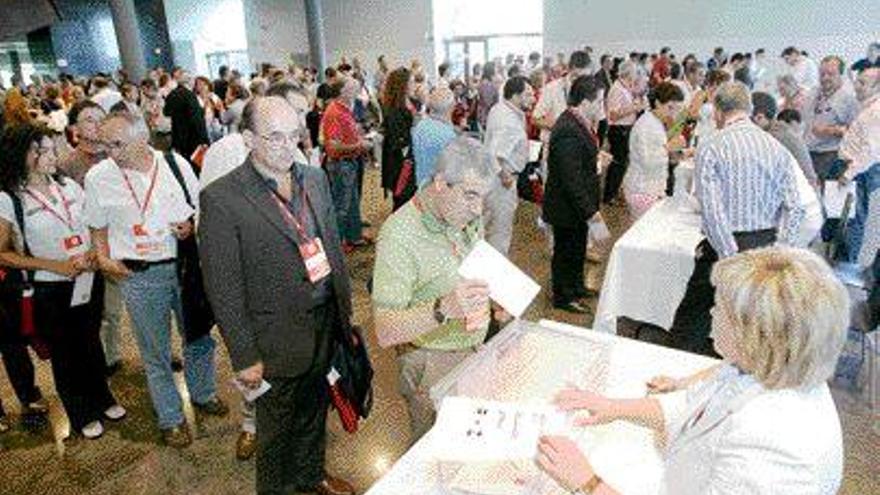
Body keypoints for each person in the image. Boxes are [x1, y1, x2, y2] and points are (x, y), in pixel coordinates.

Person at [538, 246, 846, 495]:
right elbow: (694, 405)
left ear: (753, 334)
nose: (711, 313)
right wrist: (612, 407)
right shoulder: (763, 367)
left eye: (720, 308)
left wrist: (587, 483)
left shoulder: (773, 442)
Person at [199, 97, 356, 495]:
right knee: (276, 432)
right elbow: (223, 285)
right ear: (249, 138)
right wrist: (244, 355)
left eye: (294, 135)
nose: (288, 147)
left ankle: (311, 475)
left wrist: (344, 315)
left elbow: (331, 248)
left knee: (314, 411)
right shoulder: (222, 197)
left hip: (323, 322)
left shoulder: (313, 178)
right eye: (274, 138)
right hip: (273, 339)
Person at [84, 112, 226, 447]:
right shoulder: (98, 177)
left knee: (199, 336)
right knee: (155, 352)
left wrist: (190, 227)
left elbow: (196, 209)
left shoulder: (175, 164)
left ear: (142, 138)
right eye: (106, 145)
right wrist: (104, 258)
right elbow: (97, 226)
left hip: (184, 268)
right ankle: (171, 418)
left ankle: (203, 394)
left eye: (118, 144)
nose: (111, 152)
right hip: (138, 274)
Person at [0, 122, 126, 439]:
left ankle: (102, 396)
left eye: (52, 148)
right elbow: (3, 254)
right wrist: (55, 266)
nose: (50, 156)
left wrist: (92, 255)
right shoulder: (10, 199)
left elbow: (92, 223)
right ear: (21, 155)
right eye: (40, 150)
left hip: (86, 277)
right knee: (64, 351)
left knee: (90, 340)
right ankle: (80, 410)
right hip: (47, 286)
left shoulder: (68, 185)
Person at [372, 136, 495, 441]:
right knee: (432, 450)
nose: (478, 210)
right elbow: (385, 331)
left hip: (474, 347)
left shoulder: (460, 213)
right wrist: (443, 309)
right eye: (469, 195)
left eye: (483, 197)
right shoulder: (398, 236)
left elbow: (470, 258)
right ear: (441, 183)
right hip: (431, 360)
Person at [668, 81, 804, 356]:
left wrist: (729, 255)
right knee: (753, 318)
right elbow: (795, 207)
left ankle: (679, 368)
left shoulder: (712, 146)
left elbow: (712, 209)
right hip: (765, 245)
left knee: (694, 314)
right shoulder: (774, 146)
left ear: (717, 111)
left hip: (724, 245)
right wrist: (780, 248)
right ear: (750, 110)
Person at [542, 76, 605, 314]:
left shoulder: (578, 121)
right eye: (598, 101)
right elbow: (571, 179)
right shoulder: (569, 128)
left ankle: (577, 286)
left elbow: (580, 163)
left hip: (575, 206)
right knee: (565, 252)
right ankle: (563, 296)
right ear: (585, 101)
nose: (601, 107)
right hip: (566, 206)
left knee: (577, 249)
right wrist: (590, 211)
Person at [751, 94, 823, 247]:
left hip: (800, 216)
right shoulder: (778, 131)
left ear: (759, 118)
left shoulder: (774, 138)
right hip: (804, 208)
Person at [483, 76, 535, 255]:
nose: (533, 99)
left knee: (488, 227)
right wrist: (505, 176)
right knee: (500, 232)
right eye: (528, 95)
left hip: (491, 179)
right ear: (515, 95)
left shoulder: (500, 108)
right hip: (501, 182)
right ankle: (494, 277)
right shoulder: (509, 122)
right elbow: (494, 153)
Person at [322, 77, 372, 252]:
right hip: (341, 163)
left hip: (349, 161)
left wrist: (358, 137)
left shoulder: (343, 109)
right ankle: (336, 245)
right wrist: (360, 145)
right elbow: (333, 147)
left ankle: (353, 236)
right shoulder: (335, 112)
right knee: (341, 206)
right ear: (343, 91)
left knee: (351, 202)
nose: (357, 89)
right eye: (352, 86)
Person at [623, 82, 686, 219]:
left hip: (650, 187)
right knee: (646, 233)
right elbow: (649, 163)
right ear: (657, 103)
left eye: (677, 110)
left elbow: (660, 153)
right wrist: (669, 147)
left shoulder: (655, 121)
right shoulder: (647, 126)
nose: (674, 114)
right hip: (643, 189)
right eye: (670, 108)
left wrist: (680, 153)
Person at [805, 56, 860, 180]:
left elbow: (857, 133)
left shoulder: (849, 99)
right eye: (822, 74)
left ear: (841, 75)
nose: (825, 78)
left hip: (833, 156)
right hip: (811, 153)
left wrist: (833, 130)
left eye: (830, 74)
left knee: (830, 196)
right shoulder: (813, 94)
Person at [604, 61, 647, 204]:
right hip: (618, 130)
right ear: (628, 73)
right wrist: (634, 108)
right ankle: (609, 195)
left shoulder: (625, 87)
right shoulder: (617, 89)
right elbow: (613, 115)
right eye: (635, 72)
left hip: (626, 129)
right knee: (618, 164)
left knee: (622, 164)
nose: (636, 75)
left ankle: (615, 192)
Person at [381, 67, 417, 211]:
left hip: (409, 159)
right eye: (412, 82)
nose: (414, 85)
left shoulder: (409, 102)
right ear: (403, 85)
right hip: (401, 162)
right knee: (402, 199)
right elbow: (399, 141)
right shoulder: (395, 110)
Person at [411, 87, 456, 187]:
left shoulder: (421, 125)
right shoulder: (448, 136)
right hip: (434, 188)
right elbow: (450, 174)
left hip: (418, 182)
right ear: (451, 107)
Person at [163, 68, 209, 164]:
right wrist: (204, 139)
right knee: (197, 166)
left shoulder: (172, 94)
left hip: (178, 138)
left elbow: (166, 112)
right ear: (190, 81)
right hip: (193, 139)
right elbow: (196, 120)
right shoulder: (189, 96)